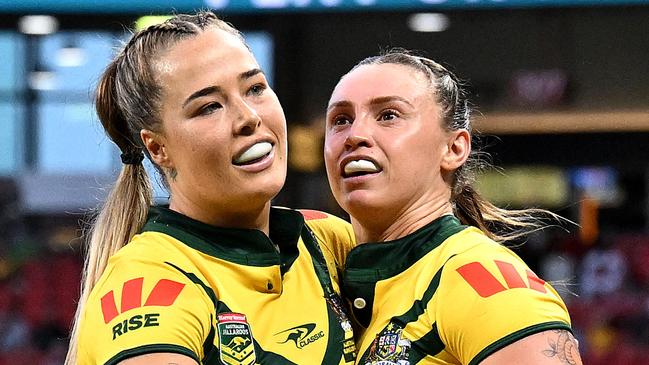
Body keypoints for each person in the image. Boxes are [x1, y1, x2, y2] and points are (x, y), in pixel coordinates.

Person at [65, 11, 357, 365]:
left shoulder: (331, 242)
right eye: (209, 107)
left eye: (255, 88)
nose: (249, 116)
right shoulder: (146, 281)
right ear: (158, 148)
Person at [323, 50, 583, 365]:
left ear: (454, 148)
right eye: (341, 120)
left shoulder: (486, 282)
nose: (356, 136)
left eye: (388, 115)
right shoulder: (324, 274)